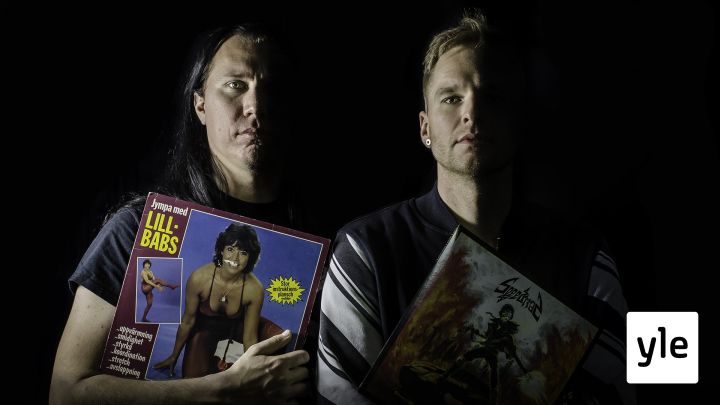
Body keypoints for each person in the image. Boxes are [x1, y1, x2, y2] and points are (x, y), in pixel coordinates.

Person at [317, 11, 634, 405]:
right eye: (451, 98)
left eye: (493, 97)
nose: (472, 113)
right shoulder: (364, 250)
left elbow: (622, 393)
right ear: (425, 128)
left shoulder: (585, 256)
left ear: (519, 122)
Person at [51, 24, 309, 404]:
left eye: (270, 88)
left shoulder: (327, 244)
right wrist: (223, 389)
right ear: (200, 105)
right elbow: (65, 394)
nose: (256, 105)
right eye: (235, 85)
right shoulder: (137, 230)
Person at [153, 223, 279, 377]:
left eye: (243, 253)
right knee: (193, 378)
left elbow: (249, 337)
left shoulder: (254, 289)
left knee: (278, 337)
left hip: (235, 333)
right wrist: (174, 356)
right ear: (221, 250)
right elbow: (188, 321)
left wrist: (250, 370)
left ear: (250, 258)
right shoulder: (200, 278)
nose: (235, 258)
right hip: (204, 333)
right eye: (230, 249)